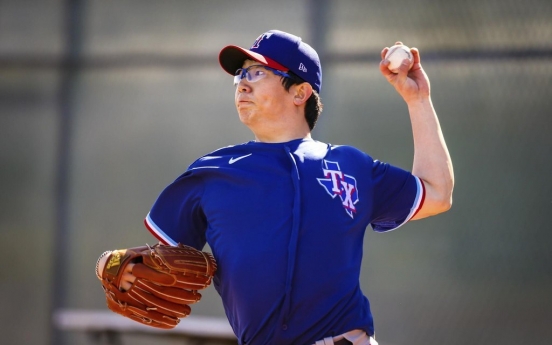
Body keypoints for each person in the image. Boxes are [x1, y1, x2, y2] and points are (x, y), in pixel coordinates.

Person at [97, 29, 454, 345]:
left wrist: (417, 99)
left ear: (300, 93)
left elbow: (436, 192)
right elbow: (156, 263)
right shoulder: (212, 172)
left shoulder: (351, 165)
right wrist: (111, 266)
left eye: (258, 72)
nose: (243, 83)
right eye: (240, 75)